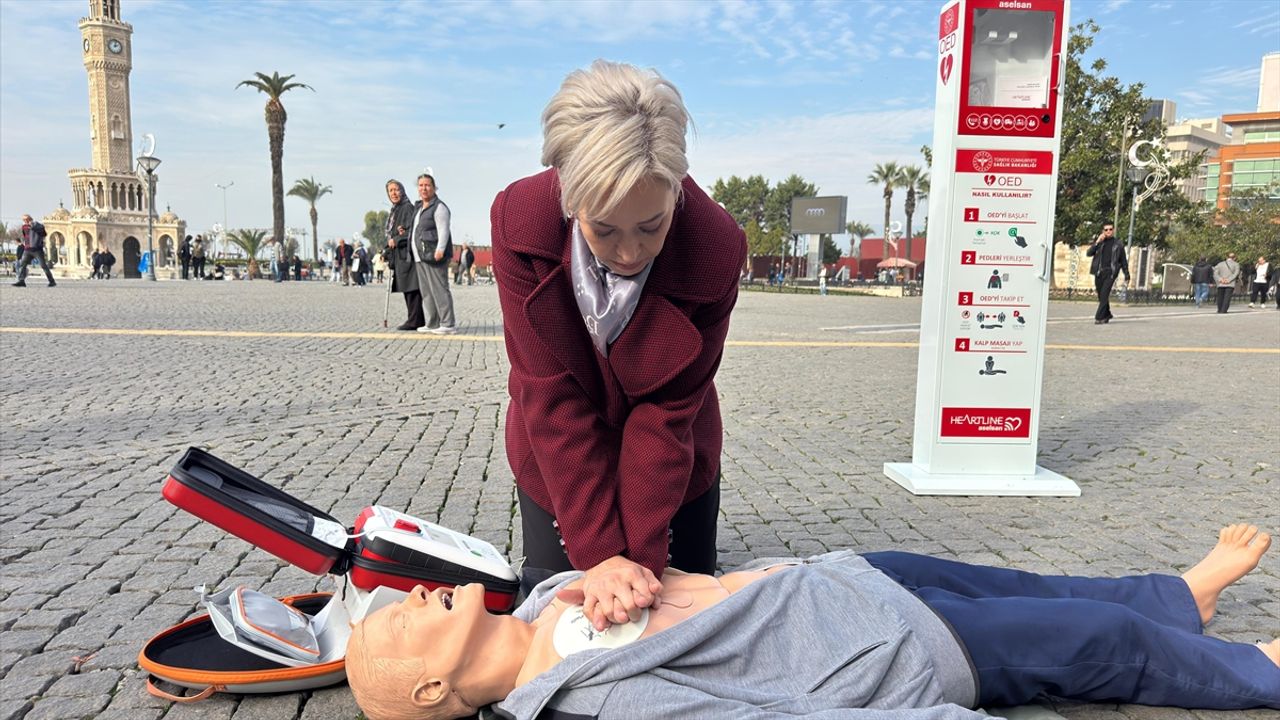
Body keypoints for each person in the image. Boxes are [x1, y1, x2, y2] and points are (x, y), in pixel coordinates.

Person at [346, 524, 1279, 720]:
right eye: (395, 627)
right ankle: (1256, 672)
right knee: (1094, 645)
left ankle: (1180, 596)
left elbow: (678, 582)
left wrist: (620, 566)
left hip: (846, 577)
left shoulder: (547, 593)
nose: (409, 598)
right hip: (893, 650)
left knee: (1032, 585)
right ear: (430, 688)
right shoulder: (585, 706)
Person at [490, 60, 746, 629]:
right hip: (555, 453)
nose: (629, 253)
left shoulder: (715, 246)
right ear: (566, 187)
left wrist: (638, 566)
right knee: (557, 610)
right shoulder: (520, 222)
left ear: (676, 187)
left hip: (674, 456)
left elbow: (668, 412)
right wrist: (603, 555)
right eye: (603, 229)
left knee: (679, 612)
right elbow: (550, 394)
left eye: (652, 226)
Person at [411, 173, 456, 334]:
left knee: (439, 289)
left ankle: (448, 324)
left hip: (434, 255)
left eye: (427, 185)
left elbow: (443, 230)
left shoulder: (439, 207)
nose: (424, 188)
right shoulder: (419, 208)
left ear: (434, 188)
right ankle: (432, 322)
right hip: (420, 256)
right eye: (421, 185)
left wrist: (440, 249)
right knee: (427, 292)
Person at [385, 180, 425, 331]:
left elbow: (413, 231)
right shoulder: (395, 209)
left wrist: (396, 239)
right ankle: (415, 318)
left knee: (411, 287)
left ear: (402, 191)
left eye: (396, 189)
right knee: (407, 288)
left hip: (408, 255)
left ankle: (415, 320)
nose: (393, 193)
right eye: (390, 190)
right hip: (400, 255)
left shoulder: (407, 208)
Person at [1085, 222, 1128, 324]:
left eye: (1110, 229)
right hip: (1099, 272)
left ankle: (1099, 317)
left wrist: (1126, 273)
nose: (1108, 231)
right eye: (1106, 230)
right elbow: (1088, 253)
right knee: (1101, 296)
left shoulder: (1118, 244)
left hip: (1111, 273)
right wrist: (1097, 242)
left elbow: (1123, 260)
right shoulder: (1100, 243)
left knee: (1104, 295)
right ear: (1103, 231)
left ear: (1113, 230)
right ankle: (1107, 314)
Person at [12, 213, 56, 288]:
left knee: (43, 266)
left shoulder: (37, 225)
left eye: (26, 219)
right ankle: (21, 281)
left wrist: (32, 225)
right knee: (22, 265)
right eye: (23, 219)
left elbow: (44, 234)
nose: (25, 221)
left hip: (37, 250)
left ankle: (52, 281)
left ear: (30, 219)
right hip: (27, 250)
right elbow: (25, 236)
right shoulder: (24, 227)